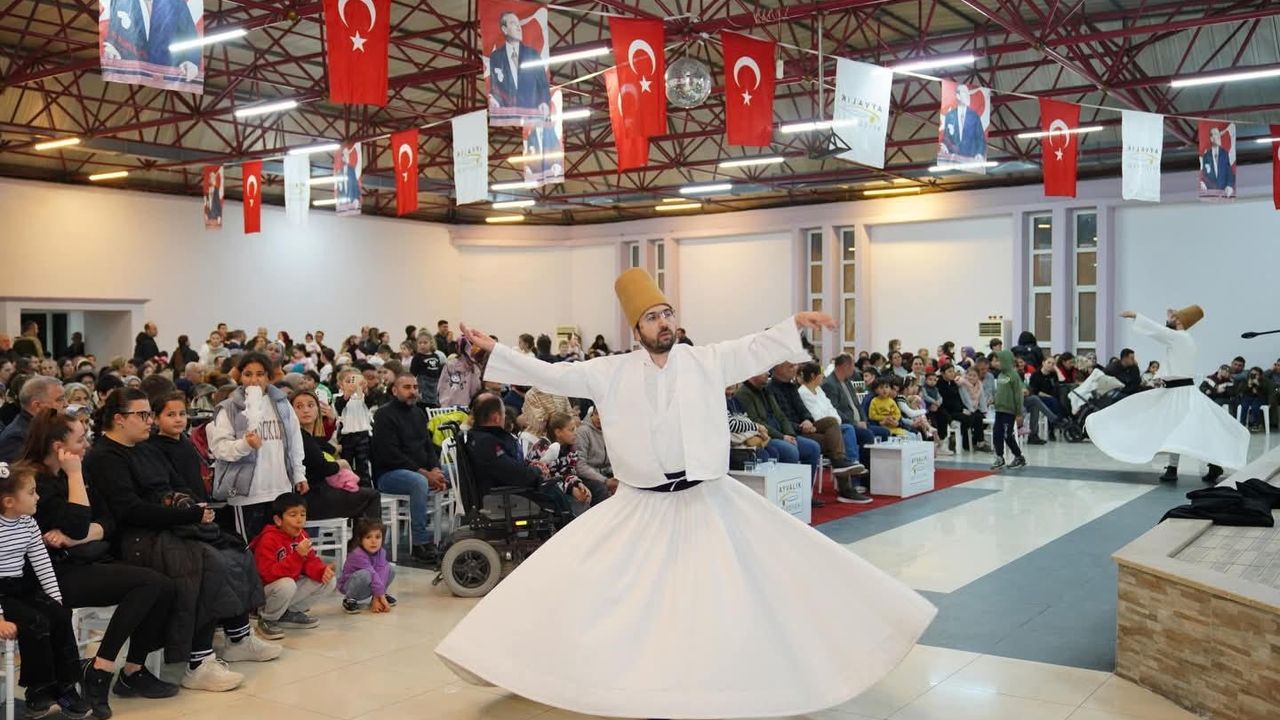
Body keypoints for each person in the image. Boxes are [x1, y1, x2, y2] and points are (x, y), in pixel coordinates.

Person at [436, 268, 934, 718]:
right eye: (653, 317)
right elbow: (551, 374)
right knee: (585, 584)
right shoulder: (609, 371)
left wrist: (794, 324)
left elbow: (752, 349)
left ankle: (736, 680)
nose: (664, 323)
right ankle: (550, 665)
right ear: (637, 329)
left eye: (668, 313)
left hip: (707, 501)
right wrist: (493, 349)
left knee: (745, 587)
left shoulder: (705, 361)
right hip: (640, 506)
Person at [85, 388, 277, 692]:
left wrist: (190, 505)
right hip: (135, 537)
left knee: (233, 547)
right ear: (119, 419)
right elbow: (130, 511)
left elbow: (175, 485)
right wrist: (185, 514)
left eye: (149, 414)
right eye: (143, 415)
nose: (149, 421)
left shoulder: (145, 447)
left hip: (166, 526)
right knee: (205, 562)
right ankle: (198, 661)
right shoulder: (104, 457)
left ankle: (238, 636)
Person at [21, 411, 178, 715]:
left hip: (78, 561)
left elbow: (108, 521)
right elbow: (80, 523)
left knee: (163, 586)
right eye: (80, 440)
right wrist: (75, 477)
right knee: (148, 584)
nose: (87, 445)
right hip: (46, 576)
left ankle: (128, 670)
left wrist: (75, 539)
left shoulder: (74, 471)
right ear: (58, 447)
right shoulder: (34, 481)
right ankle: (101, 671)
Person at [1087, 306, 1247, 484]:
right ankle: (1197, 466)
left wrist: (1136, 316)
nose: (1168, 320)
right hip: (1180, 390)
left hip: (1179, 392)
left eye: (1173, 318)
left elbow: (1158, 331)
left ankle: (1179, 468)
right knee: (1186, 429)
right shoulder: (1185, 339)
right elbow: (1168, 339)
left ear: (1179, 321)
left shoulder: (1179, 337)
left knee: (1175, 428)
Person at [0, 460, 93, 718]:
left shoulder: (28, 523)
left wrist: (56, 600)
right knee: (35, 622)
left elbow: (42, 564)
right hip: (1, 594)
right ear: (9, 502)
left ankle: (66, 686)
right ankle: (39, 689)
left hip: (20, 586)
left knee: (59, 615)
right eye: (31, 492)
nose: (38, 497)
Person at [208, 353, 308, 540]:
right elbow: (219, 448)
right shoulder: (229, 408)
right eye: (248, 374)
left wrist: (298, 474)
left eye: (260, 374)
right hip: (247, 494)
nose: (254, 380)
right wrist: (245, 444)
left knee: (281, 547)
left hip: (280, 490)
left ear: (268, 377)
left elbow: (294, 441)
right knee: (253, 549)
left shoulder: (282, 404)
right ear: (240, 377)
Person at [371, 374, 446, 564]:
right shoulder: (384, 415)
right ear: (394, 390)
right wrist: (425, 474)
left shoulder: (418, 413)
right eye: (407, 387)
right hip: (390, 473)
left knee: (455, 470)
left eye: (415, 387)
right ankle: (420, 543)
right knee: (418, 482)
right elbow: (391, 454)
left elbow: (428, 446)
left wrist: (435, 468)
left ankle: (460, 533)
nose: (412, 391)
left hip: (421, 470)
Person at [466, 393, 574, 520]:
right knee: (553, 491)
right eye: (504, 413)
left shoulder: (478, 437)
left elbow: (508, 468)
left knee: (552, 488)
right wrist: (536, 470)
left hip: (507, 489)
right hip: (506, 497)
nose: (505, 417)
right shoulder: (487, 443)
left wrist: (530, 467)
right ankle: (569, 527)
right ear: (496, 417)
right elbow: (514, 473)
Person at [249, 492, 336, 639]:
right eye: (293, 515)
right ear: (278, 520)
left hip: (287, 587)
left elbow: (310, 561)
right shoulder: (268, 539)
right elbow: (267, 575)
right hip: (265, 593)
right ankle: (267, 618)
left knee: (328, 580)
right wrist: (297, 556)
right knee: (287, 584)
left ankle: (287, 613)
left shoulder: (302, 536)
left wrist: (322, 571)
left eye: (303, 514)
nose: (299, 520)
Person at [290, 391, 380, 522]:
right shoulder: (299, 437)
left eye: (310, 405)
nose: (305, 410)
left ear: (318, 410)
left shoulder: (310, 436)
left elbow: (328, 448)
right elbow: (323, 468)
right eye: (299, 406)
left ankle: (362, 533)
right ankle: (369, 534)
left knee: (359, 490)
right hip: (311, 497)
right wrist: (341, 464)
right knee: (371, 496)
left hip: (319, 493)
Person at [796, 363, 872, 503]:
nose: (823, 376)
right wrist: (834, 421)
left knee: (845, 431)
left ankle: (845, 467)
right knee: (842, 430)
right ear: (813, 376)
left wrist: (835, 421)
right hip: (815, 426)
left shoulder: (819, 390)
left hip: (832, 426)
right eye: (821, 374)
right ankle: (847, 466)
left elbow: (832, 410)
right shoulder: (802, 392)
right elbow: (816, 416)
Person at [101, 0, 201, 80]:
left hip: (167, 75)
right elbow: (114, 31)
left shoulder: (175, 3)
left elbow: (189, 34)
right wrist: (111, 48)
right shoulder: (123, 1)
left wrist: (191, 61)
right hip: (129, 71)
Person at [487, 10, 551, 119]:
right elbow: (496, 88)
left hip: (532, 114)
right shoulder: (496, 57)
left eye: (518, 24)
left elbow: (543, 84)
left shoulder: (533, 55)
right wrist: (494, 99)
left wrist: (544, 102)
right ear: (504, 29)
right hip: (507, 115)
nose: (518, 27)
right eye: (513, 23)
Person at [1, 376, 68, 462]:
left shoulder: (45, 427)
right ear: (37, 406)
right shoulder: (17, 437)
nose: (66, 404)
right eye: (59, 400)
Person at [338, 517, 396, 614]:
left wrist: (377, 597)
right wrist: (380, 597)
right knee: (366, 574)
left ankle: (378, 595)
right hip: (352, 587)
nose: (374, 541)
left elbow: (381, 573)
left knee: (389, 568)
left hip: (370, 585)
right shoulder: (357, 554)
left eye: (378, 537)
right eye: (368, 537)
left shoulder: (382, 552)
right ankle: (349, 599)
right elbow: (372, 574)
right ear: (360, 540)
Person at [990, 350, 1027, 470]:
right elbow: (1000, 391)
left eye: (999, 360)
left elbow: (1018, 395)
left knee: (1007, 435)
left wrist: (1019, 413)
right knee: (997, 434)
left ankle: (1019, 456)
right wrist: (995, 400)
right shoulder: (1000, 375)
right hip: (999, 410)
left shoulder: (1014, 376)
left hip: (1009, 411)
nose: (997, 363)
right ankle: (999, 457)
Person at [941, 83, 985, 159]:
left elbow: (980, 138)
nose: (968, 96)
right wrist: (945, 146)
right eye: (965, 93)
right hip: (953, 158)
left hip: (970, 158)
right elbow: (946, 136)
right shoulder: (950, 115)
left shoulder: (974, 116)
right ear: (958, 96)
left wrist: (979, 153)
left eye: (968, 93)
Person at [409, 334, 446, 407]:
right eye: (420, 343)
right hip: (423, 386)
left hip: (435, 385)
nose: (422, 345)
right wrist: (415, 389)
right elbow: (413, 374)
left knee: (434, 405)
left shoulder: (436, 356)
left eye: (425, 343)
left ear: (431, 343)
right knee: (424, 405)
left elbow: (439, 372)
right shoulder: (417, 357)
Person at [1199, 125, 1235, 196]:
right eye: (1216, 134)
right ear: (1211, 139)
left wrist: (1230, 185)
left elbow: (1229, 172)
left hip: (1224, 192)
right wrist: (1202, 182)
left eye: (1219, 134)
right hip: (1210, 193)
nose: (1219, 136)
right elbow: (1204, 174)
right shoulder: (1206, 156)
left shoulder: (1225, 154)